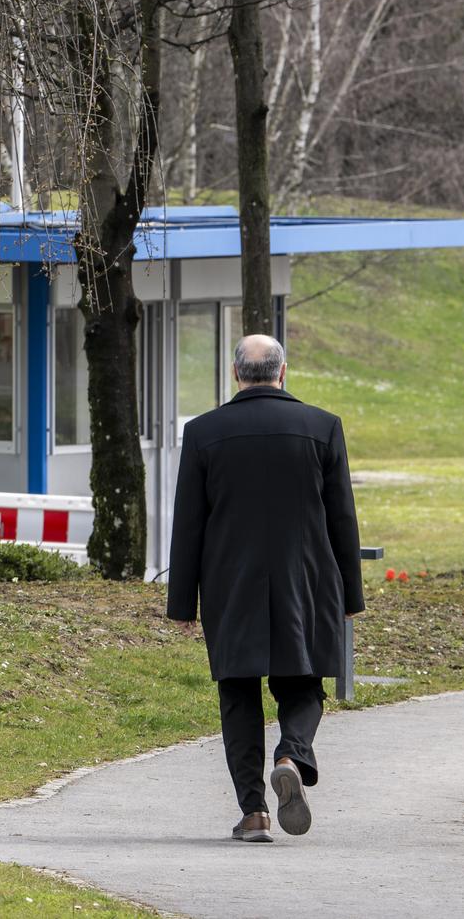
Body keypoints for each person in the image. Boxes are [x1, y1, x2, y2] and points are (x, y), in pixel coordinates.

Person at [165, 333, 364, 844]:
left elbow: (189, 521)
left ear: (236, 375)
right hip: (308, 580)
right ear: (282, 371)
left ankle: (253, 812)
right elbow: (342, 518)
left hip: (231, 584)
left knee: (238, 694)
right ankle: (292, 754)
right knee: (304, 685)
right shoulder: (322, 427)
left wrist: (182, 601)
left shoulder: (204, 433)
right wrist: (350, 598)